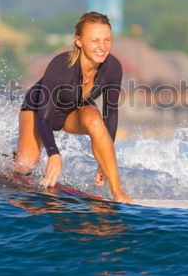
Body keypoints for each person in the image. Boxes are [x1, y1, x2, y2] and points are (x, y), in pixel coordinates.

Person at [14, 11, 131, 203]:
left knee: (94, 119)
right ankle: (13, 167)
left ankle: (118, 191)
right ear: (79, 41)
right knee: (26, 164)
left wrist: (105, 158)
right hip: (38, 110)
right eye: (94, 41)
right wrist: (53, 153)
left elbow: (110, 113)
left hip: (72, 113)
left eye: (107, 40)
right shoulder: (62, 66)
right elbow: (44, 117)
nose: (102, 47)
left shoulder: (113, 67)